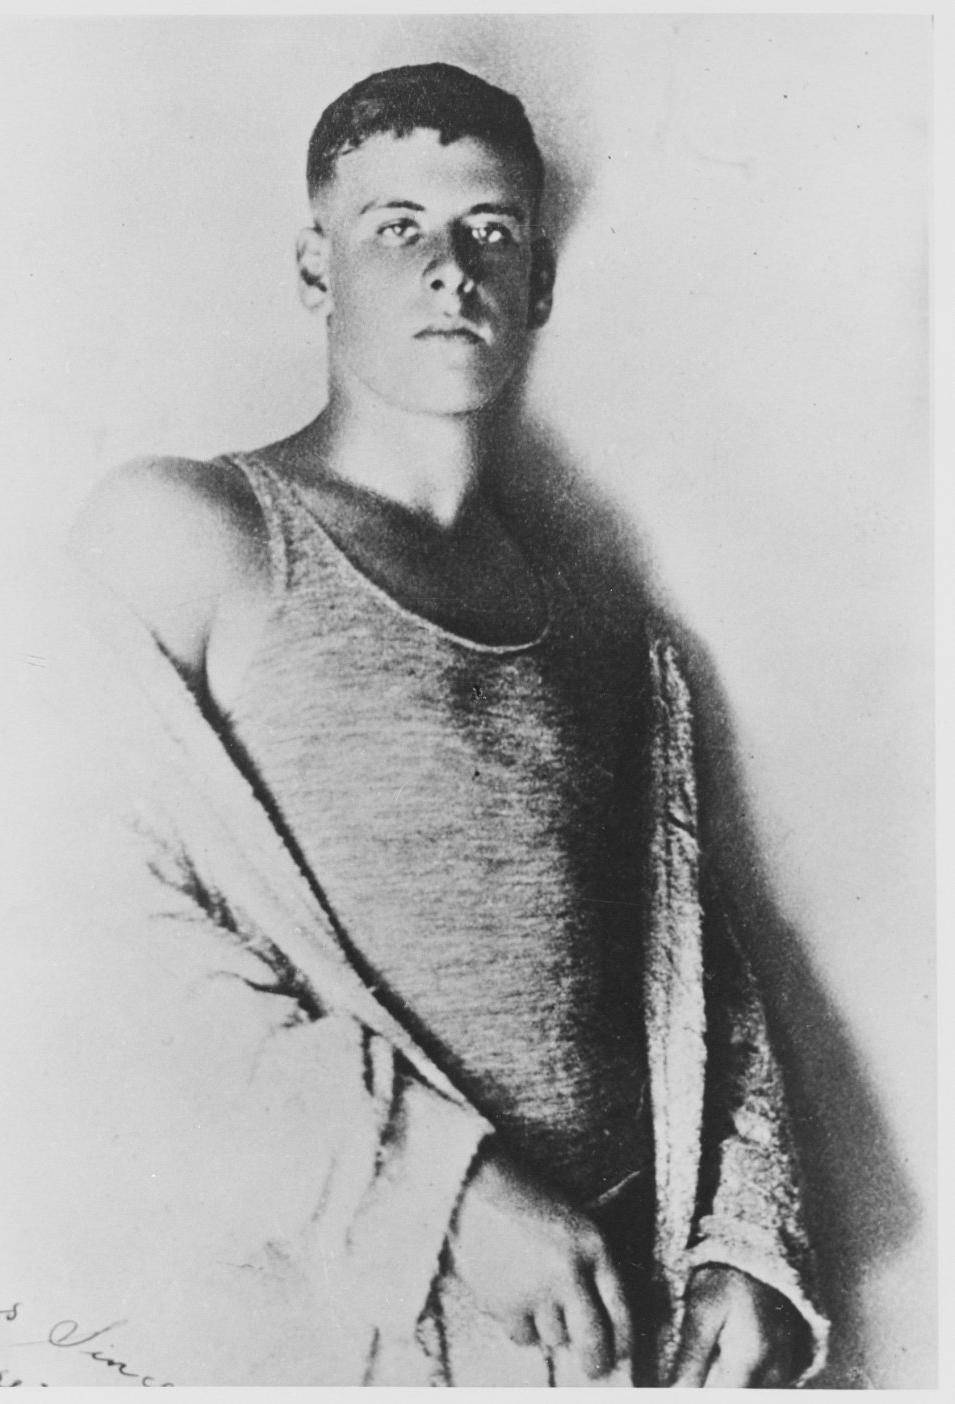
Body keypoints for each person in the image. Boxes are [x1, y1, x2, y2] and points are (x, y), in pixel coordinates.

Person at [68, 62, 827, 1386]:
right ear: (316, 270)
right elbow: (81, 942)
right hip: (306, 1336)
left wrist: (741, 1245)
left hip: (597, 1346)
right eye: (394, 227)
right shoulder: (190, 534)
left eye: (489, 232)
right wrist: (442, 1194)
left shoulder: (609, 633)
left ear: (536, 278)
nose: (447, 267)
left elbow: (701, 972)